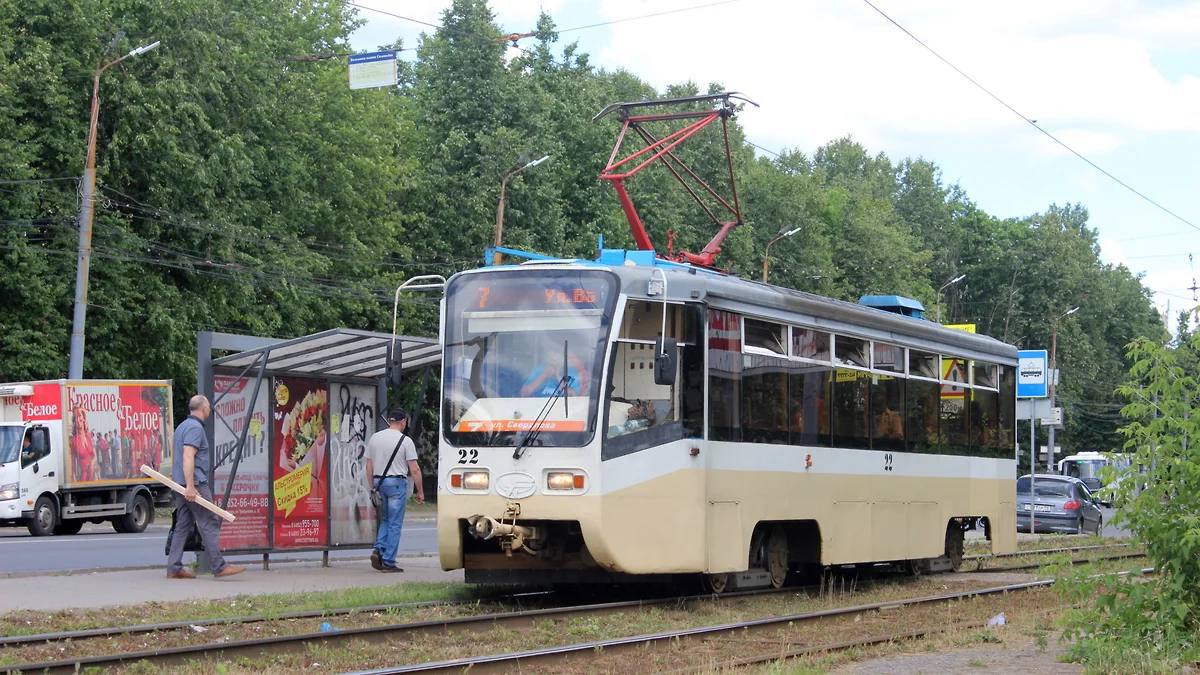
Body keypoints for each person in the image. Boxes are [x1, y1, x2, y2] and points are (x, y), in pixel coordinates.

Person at [165, 395, 244, 579]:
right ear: (203, 408)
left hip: (180, 484)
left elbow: (177, 456)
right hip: (195, 485)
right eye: (208, 406)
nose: (210, 410)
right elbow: (188, 456)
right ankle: (219, 566)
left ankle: (174, 567)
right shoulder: (195, 428)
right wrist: (191, 487)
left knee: (183, 525)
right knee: (209, 521)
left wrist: (182, 483)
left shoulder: (182, 426)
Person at [365, 409, 424, 573]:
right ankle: (389, 561)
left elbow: (368, 466)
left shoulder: (375, 438)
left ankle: (378, 549)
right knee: (395, 524)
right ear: (403, 421)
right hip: (396, 483)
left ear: (390, 421)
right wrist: (420, 491)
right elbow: (415, 469)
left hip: (379, 482)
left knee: (385, 520)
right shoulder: (405, 441)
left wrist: (372, 487)